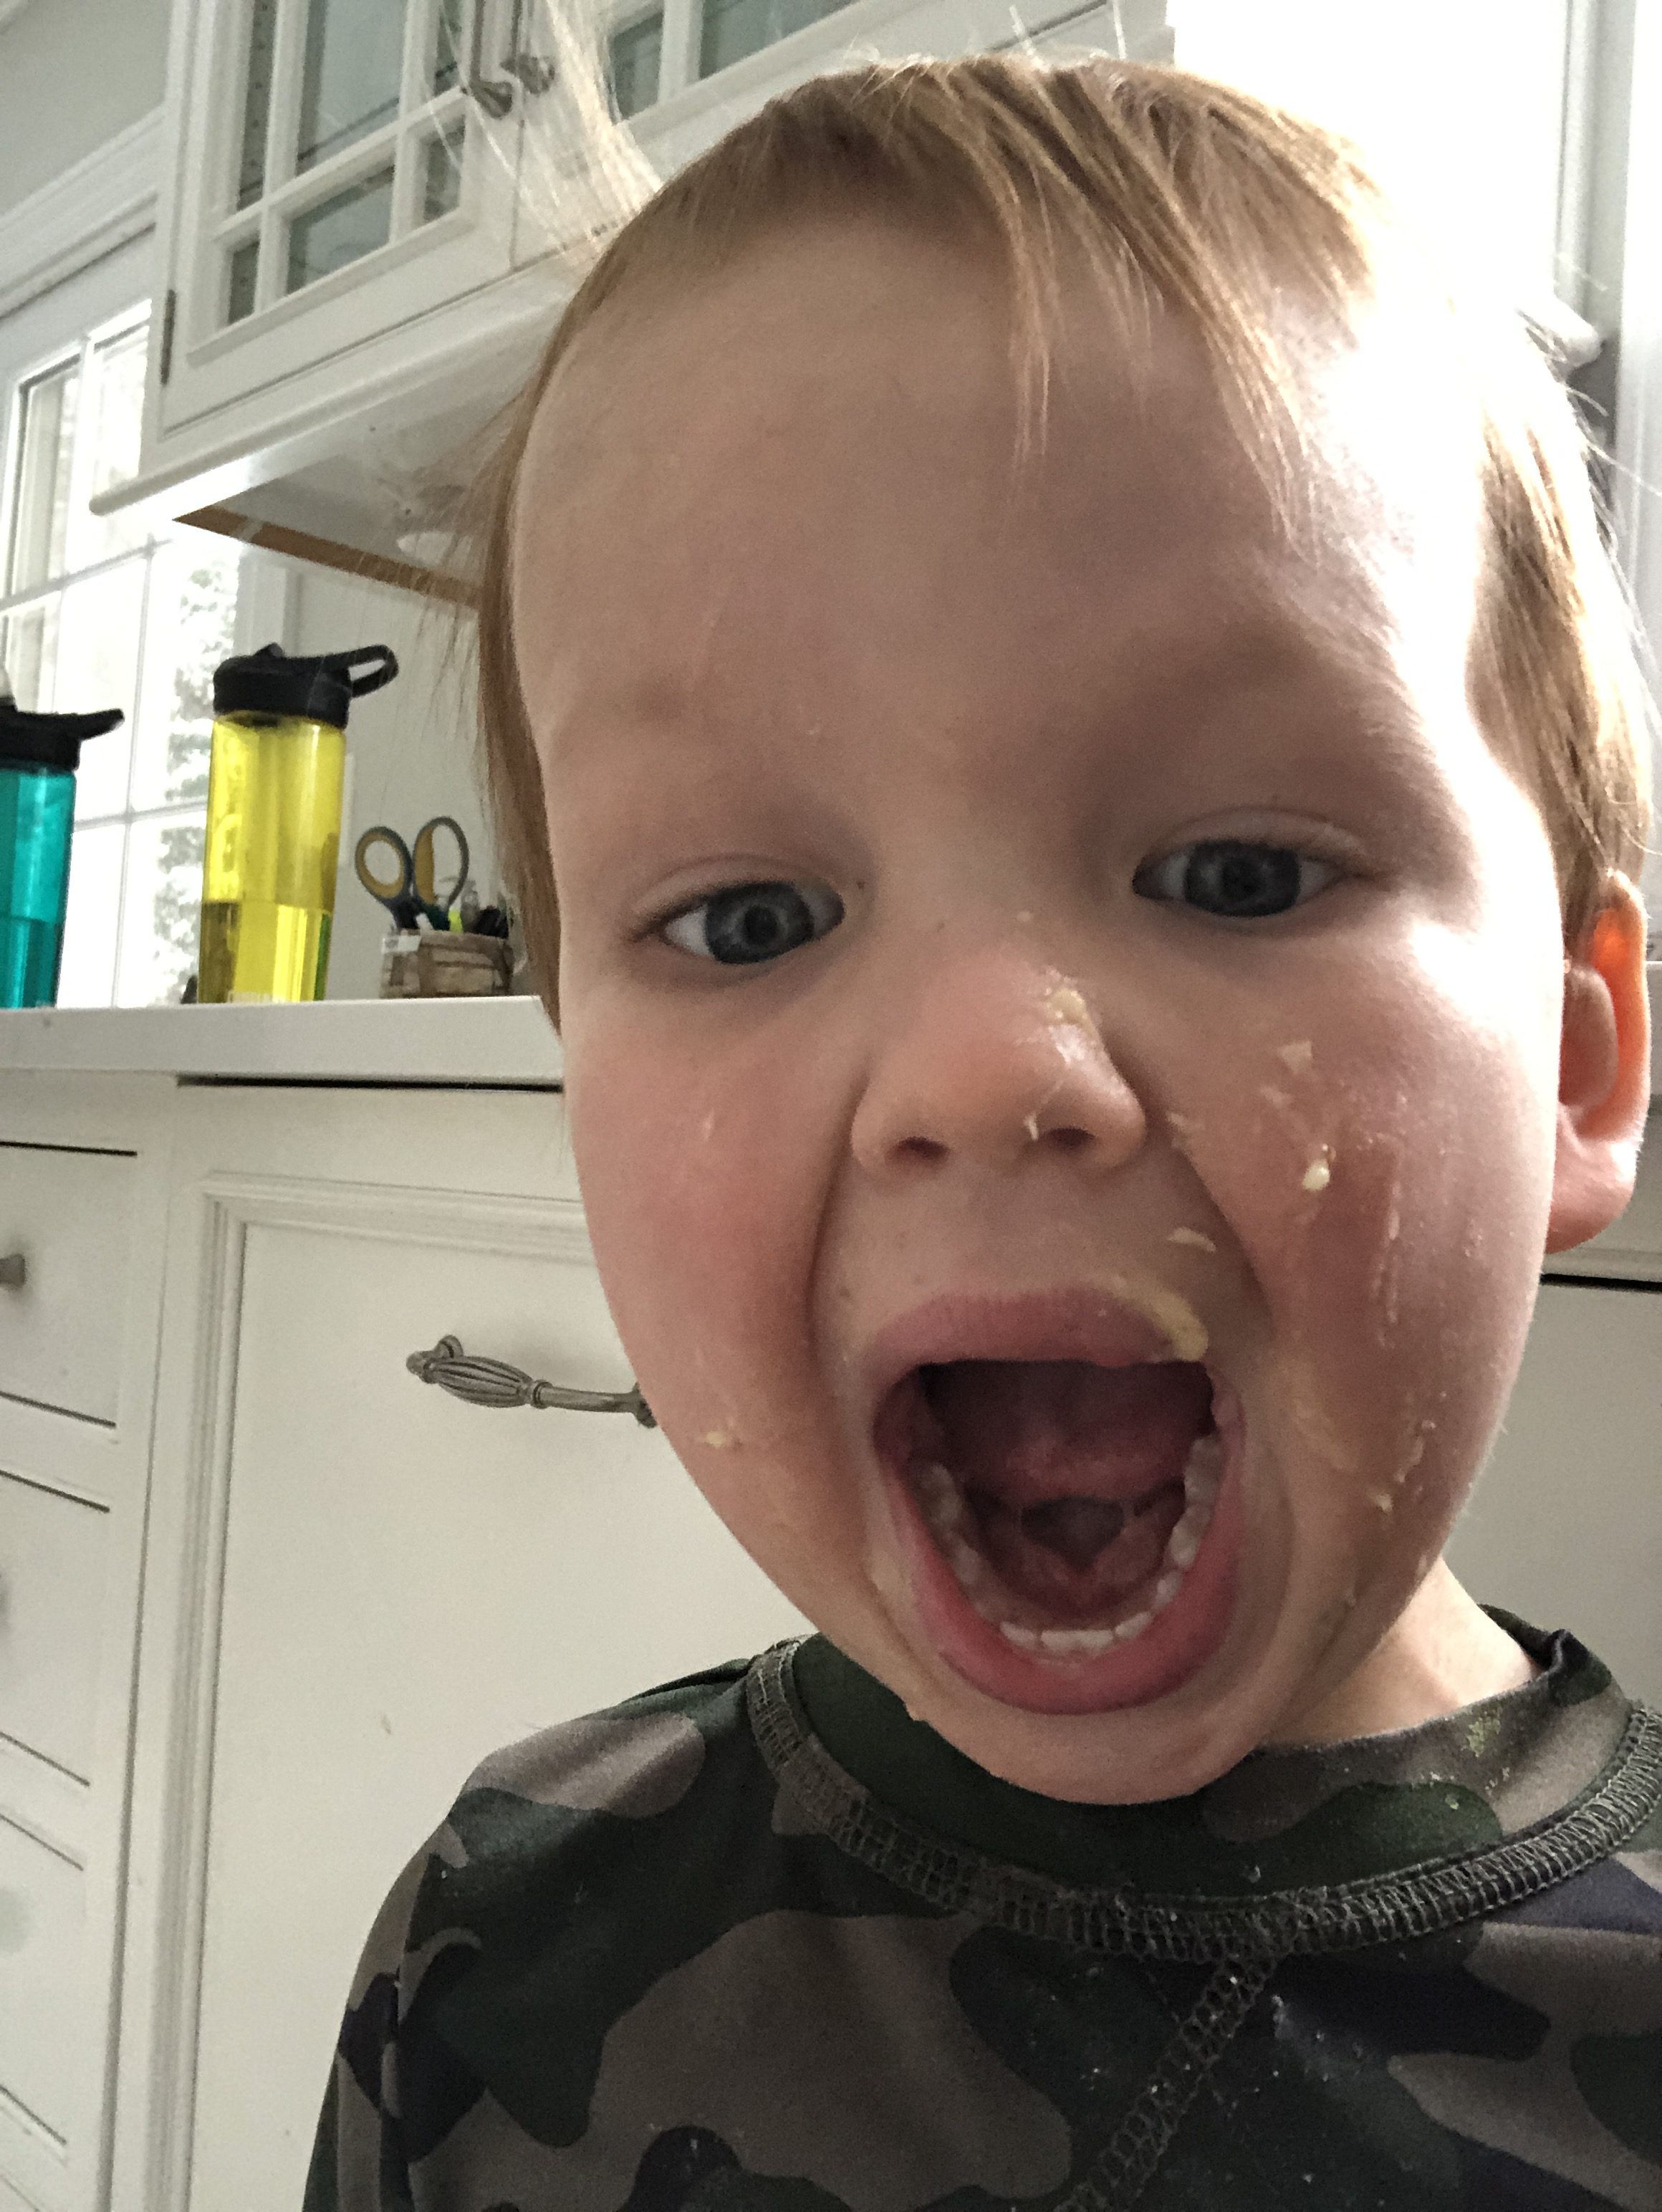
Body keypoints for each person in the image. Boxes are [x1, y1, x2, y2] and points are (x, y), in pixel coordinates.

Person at [304, 48, 1662, 2212]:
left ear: (1579, 1062)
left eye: (1239, 874)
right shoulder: (502, 1946)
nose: (988, 1071)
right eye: (750, 919)